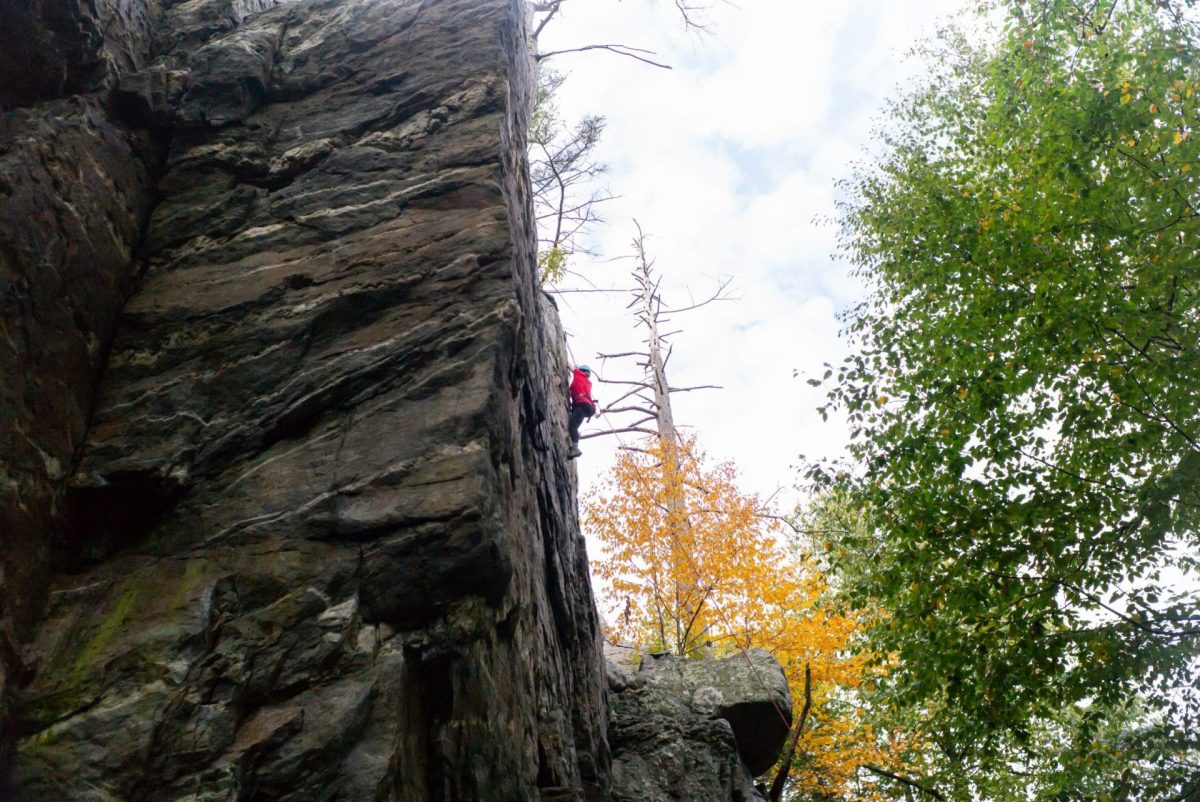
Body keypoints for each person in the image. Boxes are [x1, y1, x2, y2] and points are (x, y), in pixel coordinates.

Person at [568, 364, 597, 458]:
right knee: (574, 425)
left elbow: (569, 365)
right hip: (587, 407)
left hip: (582, 404)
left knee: (573, 426)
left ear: (582, 371)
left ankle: (575, 448)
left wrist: (574, 368)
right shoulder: (588, 382)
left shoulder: (579, 374)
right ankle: (573, 441)